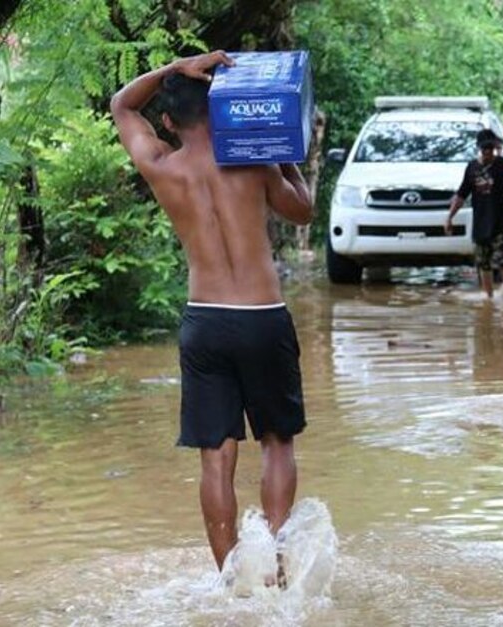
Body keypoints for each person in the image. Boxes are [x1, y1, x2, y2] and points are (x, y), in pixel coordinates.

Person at [110, 51, 313, 576]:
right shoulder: (255, 161)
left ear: (169, 121)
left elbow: (121, 105)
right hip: (263, 316)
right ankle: (278, 563)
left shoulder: (161, 165)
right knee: (276, 441)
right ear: (222, 110)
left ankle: (230, 582)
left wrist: (175, 66)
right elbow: (303, 210)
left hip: (205, 320)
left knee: (216, 456)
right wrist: (281, 148)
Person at [445, 129, 503, 298]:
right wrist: (449, 217)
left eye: (490, 148)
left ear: (495, 147)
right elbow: (461, 194)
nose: (488, 152)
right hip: (480, 225)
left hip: (499, 225)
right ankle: (489, 298)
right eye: (484, 149)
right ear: (479, 148)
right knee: (483, 264)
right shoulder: (472, 167)